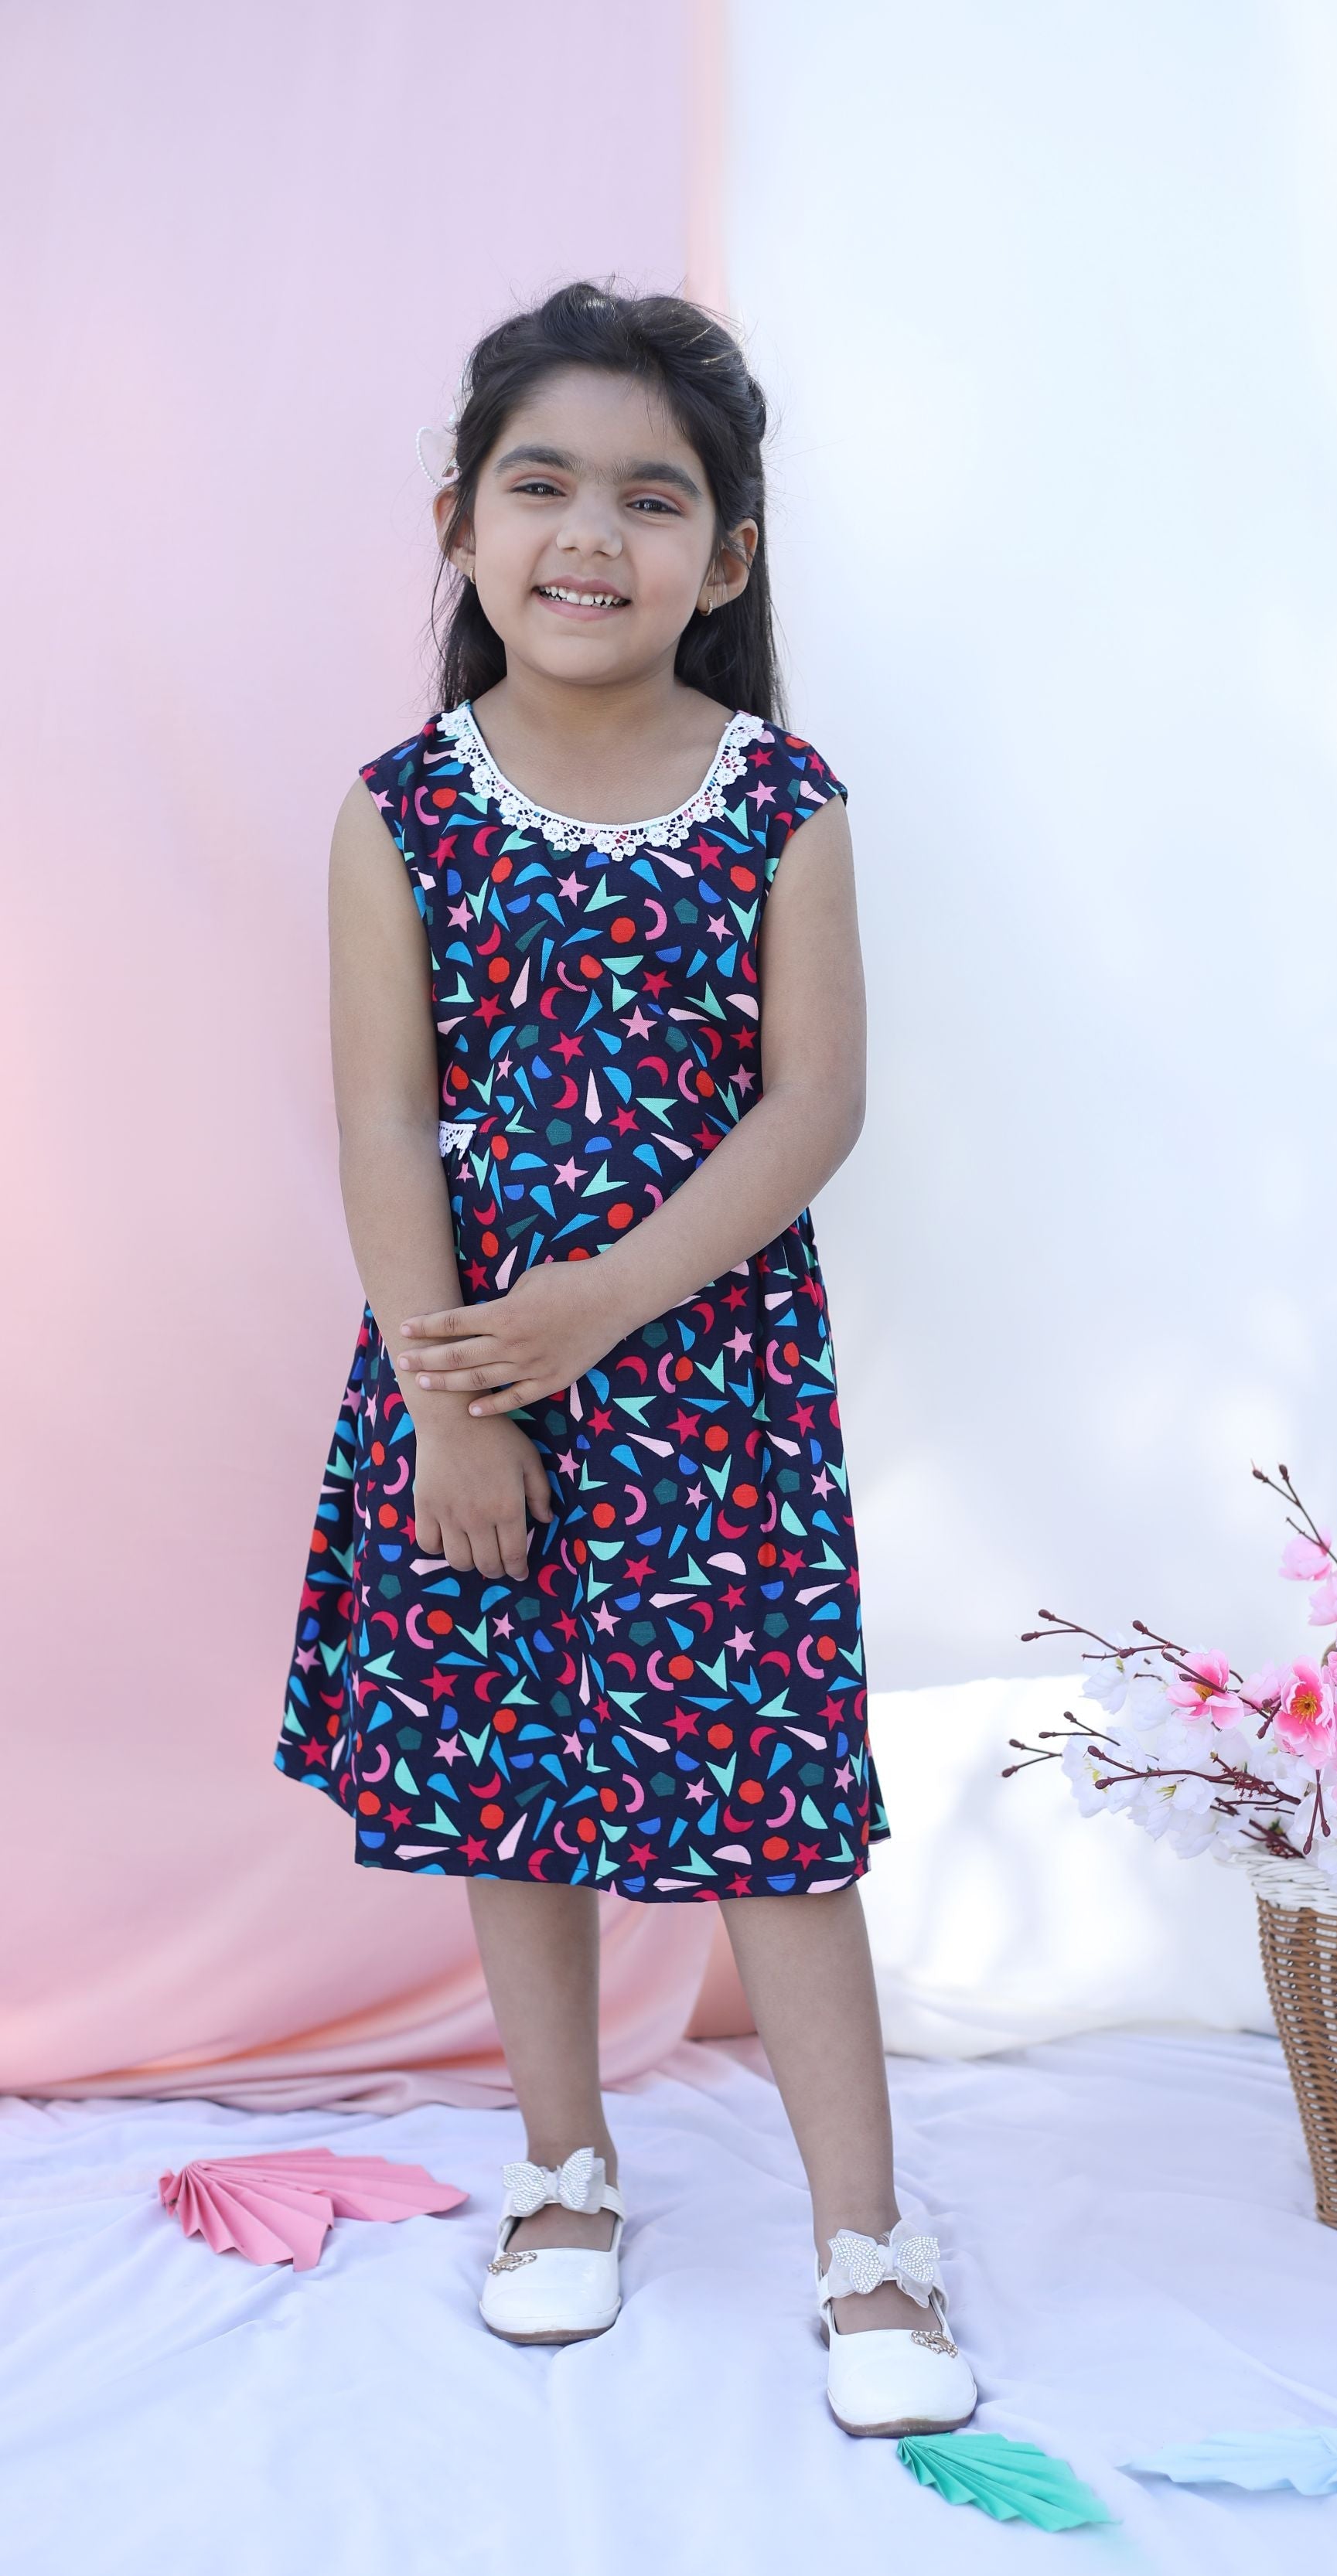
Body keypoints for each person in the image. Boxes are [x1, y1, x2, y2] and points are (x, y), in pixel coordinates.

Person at [275, 279, 976, 2438]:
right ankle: (563, 2171)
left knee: (777, 1818)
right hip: (473, 1397)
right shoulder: (399, 811)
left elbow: (812, 1106)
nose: (592, 534)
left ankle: (867, 2241)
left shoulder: (783, 799)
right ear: (461, 526)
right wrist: (458, 1403)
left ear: (727, 558)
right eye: (543, 485)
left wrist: (604, 1304)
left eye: (653, 499)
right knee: (517, 1784)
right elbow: (385, 1124)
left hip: (717, 1402)